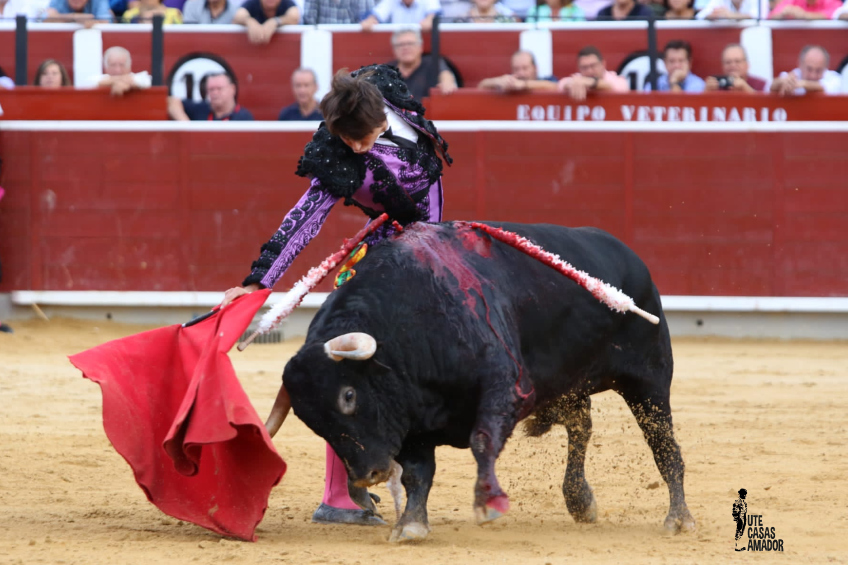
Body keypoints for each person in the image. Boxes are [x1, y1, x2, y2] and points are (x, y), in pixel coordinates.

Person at [219, 64, 452, 526]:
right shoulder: (335, 151)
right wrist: (258, 281)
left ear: (381, 118)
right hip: (386, 259)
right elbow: (302, 220)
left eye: (361, 139)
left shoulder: (384, 89)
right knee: (352, 363)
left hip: (432, 251)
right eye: (347, 141)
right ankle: (340, 495)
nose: (355, 148)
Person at [168, 72, 255, 120]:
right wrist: (186, 125)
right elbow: (171, 102)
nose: (215, 93)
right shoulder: (201, 109)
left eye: (219, 89)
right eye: (211, 89)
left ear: (232, 89)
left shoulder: (243, 117)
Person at [769, 45, 842, 95]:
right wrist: (781, 83)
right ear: (800, 64)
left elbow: (828, 87)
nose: (813, 75)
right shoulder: (793, 75)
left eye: (818, 70)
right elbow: (771, 86)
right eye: (809, 69)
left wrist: (802, 84)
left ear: (826, 67)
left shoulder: (835, 79)